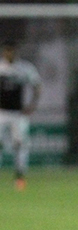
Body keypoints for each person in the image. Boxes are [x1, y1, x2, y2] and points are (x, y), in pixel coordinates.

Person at [0, 39, 41, 191]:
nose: (9, 54)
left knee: (20, 144)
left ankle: (20, 177)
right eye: (6, 51)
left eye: (11, 51)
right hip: (1, 113)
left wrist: (32, 105)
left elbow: (37, 85)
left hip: (18, 113)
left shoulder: (24, 68)